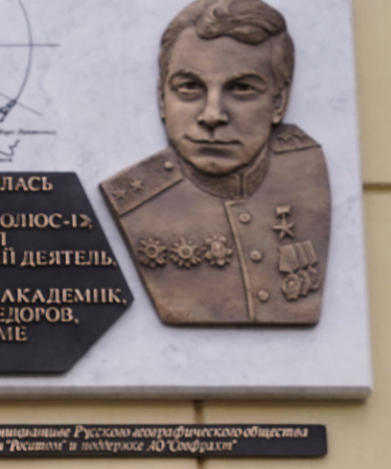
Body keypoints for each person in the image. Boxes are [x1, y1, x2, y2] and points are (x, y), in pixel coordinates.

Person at [101, 0, 331, 326]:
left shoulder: (305, 165)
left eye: (241, 89)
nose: (212, 115)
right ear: (161, 98)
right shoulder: (135, 200)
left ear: (279, 103)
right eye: (189, 87)